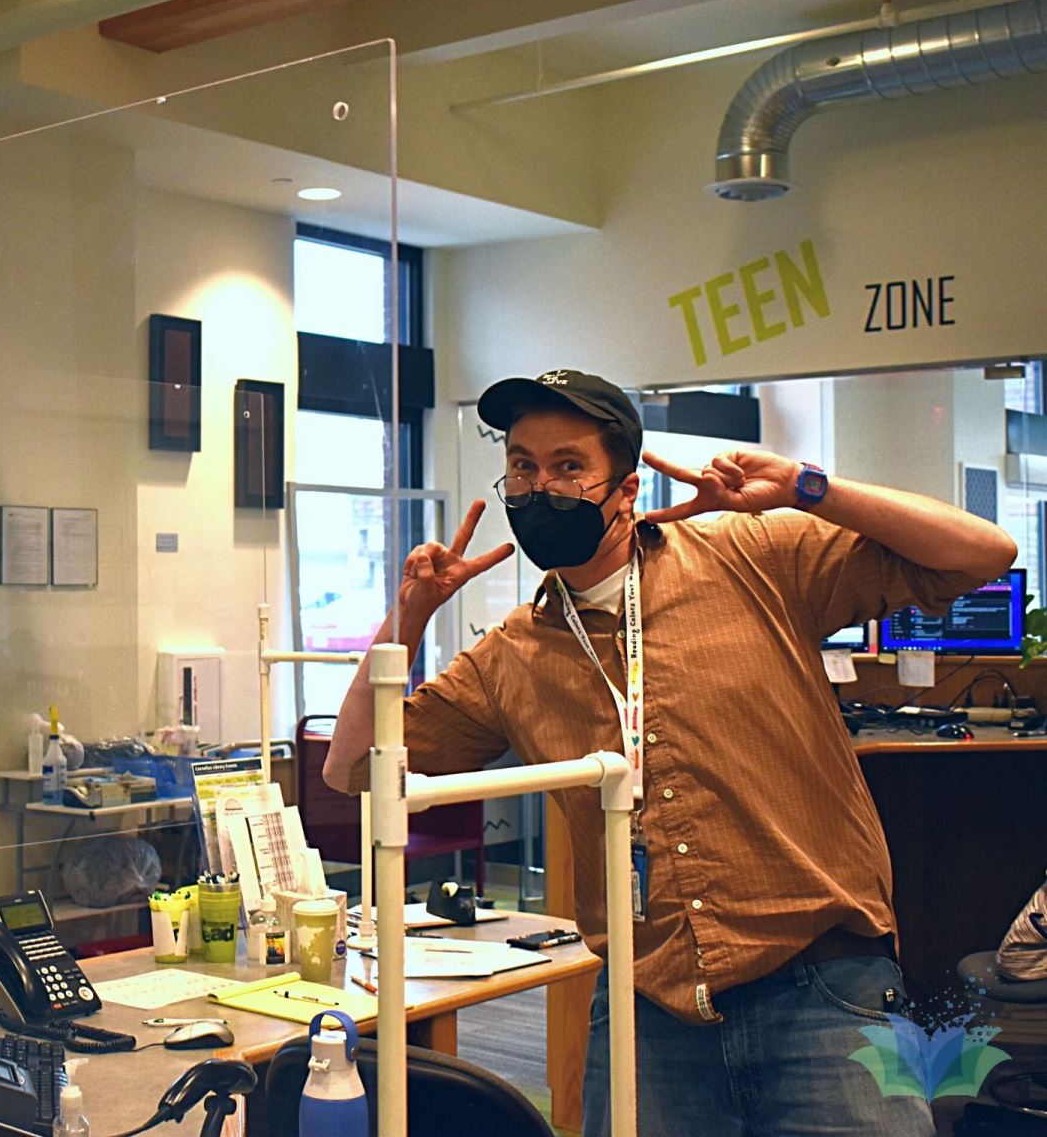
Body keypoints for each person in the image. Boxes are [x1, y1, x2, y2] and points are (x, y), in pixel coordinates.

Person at [321, 369, 1016, 1136]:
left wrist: (804, 486)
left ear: (626, 488)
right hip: (649, 1008)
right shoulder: (512, 655)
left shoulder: (750, 554)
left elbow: (982, 552)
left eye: (568, 466)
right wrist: (407, 618)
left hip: (823, 988)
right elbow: (349, 769)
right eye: (522, 465)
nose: (539, 487)